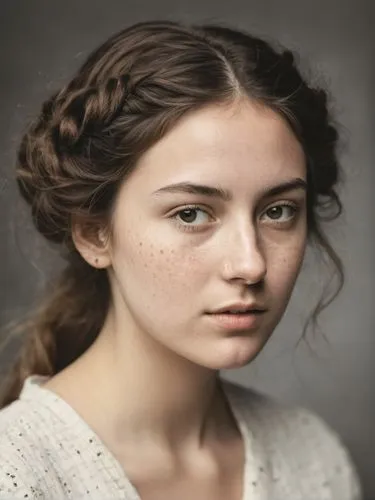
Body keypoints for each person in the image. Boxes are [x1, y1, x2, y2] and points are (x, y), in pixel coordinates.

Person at [0, 19, 362, 500]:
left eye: (278, 211)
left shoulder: (313, 461)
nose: (250, 265)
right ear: (93, 233)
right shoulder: (17, 474)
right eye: (191, 213)